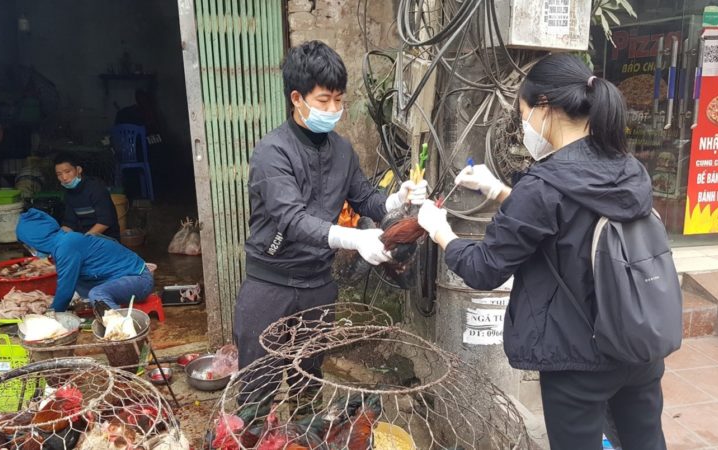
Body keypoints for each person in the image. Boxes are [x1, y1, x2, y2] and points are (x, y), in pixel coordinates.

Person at [417, 53, 665, 450]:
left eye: (523, 112)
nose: (524, 124)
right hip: (638, 341)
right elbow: (571, 224)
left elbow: (484, 270)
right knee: (646, 441)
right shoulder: (627, 168)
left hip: (578, 358)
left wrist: (441, 231)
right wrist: (498, 191)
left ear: (545, 107)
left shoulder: (544, 184)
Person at [234, 41, 427, 406]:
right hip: (270, 283)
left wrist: (398, 198)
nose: (334, 109)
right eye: (324, 101)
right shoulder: (272, 152)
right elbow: (291, 220)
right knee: (257, 387)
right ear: (297, 98)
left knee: (308, 380)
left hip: (318, 285)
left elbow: (365, 198)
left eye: (339, 100)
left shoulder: (342, 150)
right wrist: (354, 238)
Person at [16, 208, 153, 312]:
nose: (30, 249)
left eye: (28, 244)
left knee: (97, 295)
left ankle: (122, 331)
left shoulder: (66, 246)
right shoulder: (62, 242)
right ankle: (101, 309)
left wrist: (52, 315)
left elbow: (65, 290)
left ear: (36, 240)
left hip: (139, 279)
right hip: (118, 278)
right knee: (76, 282)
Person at [54, 152, 121, 241]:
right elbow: (69, 223)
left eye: (68, 171)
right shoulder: (68, 194)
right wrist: (59, 238)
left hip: (106, 239)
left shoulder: (96, 188)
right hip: (84, 237)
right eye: (59, 174)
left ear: (78, 170)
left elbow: (105, 221)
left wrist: (85, 240)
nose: (64, 177)